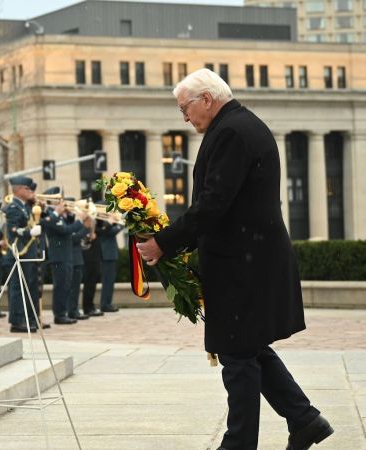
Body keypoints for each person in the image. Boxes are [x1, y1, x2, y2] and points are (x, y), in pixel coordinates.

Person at [136, 69, 333, 450]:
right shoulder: (239, 125)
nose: (184, 117)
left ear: (206, 99)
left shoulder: (230, 132)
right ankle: (304, 419)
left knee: (237, 355)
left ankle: (239, 444)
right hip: (249, 259)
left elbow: (213, 204)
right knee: (248, 346)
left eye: (185, 108)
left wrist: (163, 242)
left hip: (243, 265)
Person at [4, 177, 45, 332]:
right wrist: (29, 232)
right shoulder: (13, 207)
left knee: (27, 287)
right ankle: (17, 321)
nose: (30, 192)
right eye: (27, 189)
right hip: (19, 252)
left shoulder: (24, 206)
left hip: (28, 252)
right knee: (17, 288)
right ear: (19, 189)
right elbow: (13, 230)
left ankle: (27, 318)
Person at [40, 188, 76, 326]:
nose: (62, 202)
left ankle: (63, 313)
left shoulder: (59, 215)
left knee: (66, 286)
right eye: (58, 199)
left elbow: (67, 225)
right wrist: (79, 221)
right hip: (58, 256)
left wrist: (70, 216)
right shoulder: (50, 214)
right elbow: (64, 230)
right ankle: (59, 315)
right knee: (60, 286)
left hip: (66, 254)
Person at [65, 197, 90, 321]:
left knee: (76, 287)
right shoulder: (68, 221)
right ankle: (72, 311)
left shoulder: (74, 221)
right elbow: (73, 238)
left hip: (77, 257)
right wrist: (85, 228)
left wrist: (87, 226)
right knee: (71, 288)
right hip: (72, 257)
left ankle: (74, 310)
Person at [94, 210, 123, 314]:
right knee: (107, 281)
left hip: (110, 254)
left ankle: (107, 303)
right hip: (107, 254)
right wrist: (118, 224)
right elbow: (110, 232)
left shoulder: (106, 225)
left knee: (109, 281)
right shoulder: (102, 224)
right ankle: (105, 304)